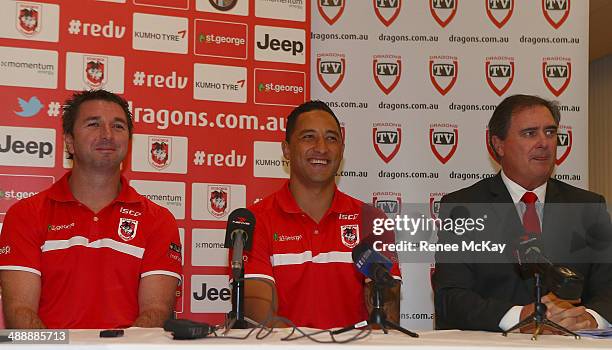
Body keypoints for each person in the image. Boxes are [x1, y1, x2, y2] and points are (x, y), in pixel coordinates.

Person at [0, 90, 182, 329]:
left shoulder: (158, 220)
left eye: (118, 126)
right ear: (70, 141)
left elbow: (156, 312)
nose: (107, 135)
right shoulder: (26, 214)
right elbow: (19, 313)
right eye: (93, 124)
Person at [433, 94, 612, 332]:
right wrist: (521, 317)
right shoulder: (463, 207)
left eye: (550, 132)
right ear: (498, 144)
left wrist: (588, 319)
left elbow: (608, 288)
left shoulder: (588, 206)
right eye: (530, 133)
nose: (544, 142)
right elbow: (450, 297)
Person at [240, 100, 402, 329]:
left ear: (342, 150)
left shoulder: (372, 220)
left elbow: (386, 320)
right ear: (286, 149)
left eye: (331, 138)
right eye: (308, 137)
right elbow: (262, 321)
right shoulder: (255, 221)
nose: (322, 148)